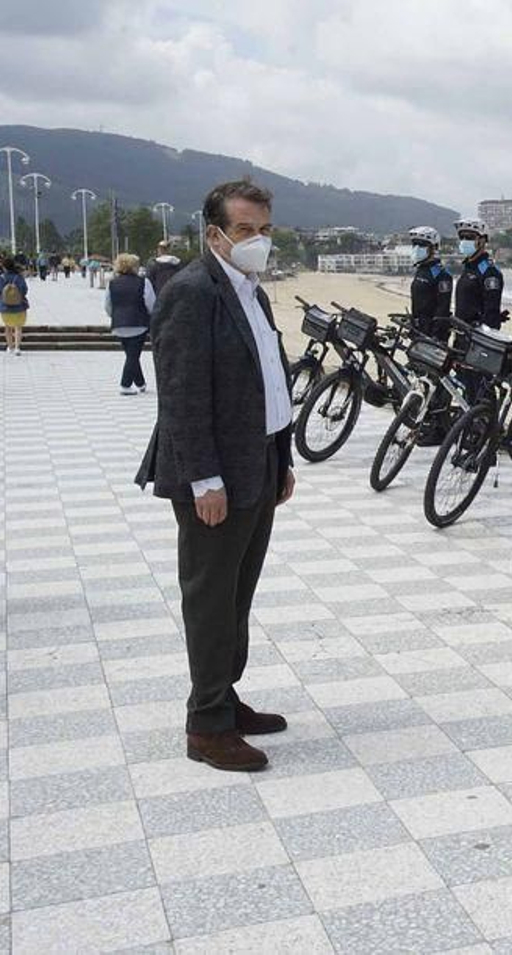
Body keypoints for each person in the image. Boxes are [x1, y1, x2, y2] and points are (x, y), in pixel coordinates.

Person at [134, 179, 296, 773]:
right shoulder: (192, 292)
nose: (258, 241)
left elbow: (270, 378)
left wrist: (283, 459)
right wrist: (204, 480)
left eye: (265, 230)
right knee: (210, 599)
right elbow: (180, 396)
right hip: (217, 477)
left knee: (237, 594)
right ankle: (206, 726)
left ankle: (224, 697)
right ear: (214, 235)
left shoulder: (253, 292)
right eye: (245, 230)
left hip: (259, 463)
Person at [406, 225, 454, 446]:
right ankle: (422, 422)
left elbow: (442, 309)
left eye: (422, 245)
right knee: (420, 380)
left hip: (434, 336)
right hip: (418, 332)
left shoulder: (441, 275)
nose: (417, 248)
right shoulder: (421, 270)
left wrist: (435, 336)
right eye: (415, 244)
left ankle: (438, 428)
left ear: (433, 248)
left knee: (434, 383)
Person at [452, 217, 504, 404]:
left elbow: (491, 314)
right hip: (461, 339)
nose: (464, 241)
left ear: (482, 240)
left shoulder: (489, 272)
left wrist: (484, 344)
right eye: (462, 237)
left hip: (478, 343)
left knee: (481, 395)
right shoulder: (469, 268)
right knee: (465, 394)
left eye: (469, 237)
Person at [106, 252, 156, 394]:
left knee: (131, 355)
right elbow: (151, 303)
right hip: (138, 322)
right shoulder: (143, 282)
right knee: (133, 356)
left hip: (119, 324)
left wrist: (114, 315)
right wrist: (150, 315)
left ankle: (140, 383)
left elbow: (108, 305)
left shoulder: (112, 283)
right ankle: (125, 385)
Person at [1, 255, 27, 355]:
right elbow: (24, 290)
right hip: (19, 306)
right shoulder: (19, 277)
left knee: (7, 327)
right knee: (18, 327)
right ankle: (17, 348)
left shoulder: (2, 278)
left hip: (5, 307)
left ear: (4, 267)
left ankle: (10, 347)